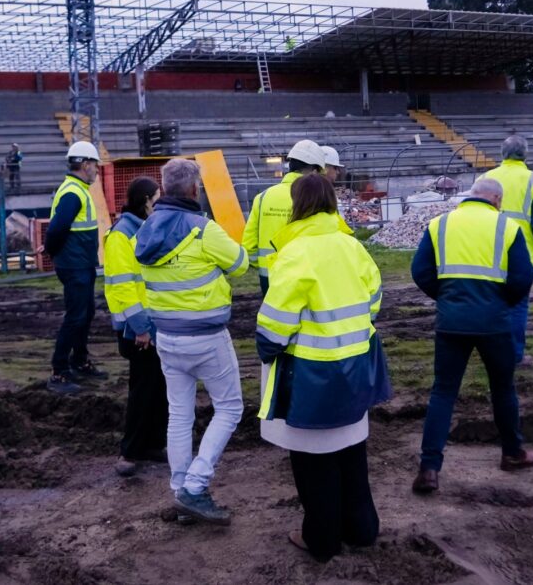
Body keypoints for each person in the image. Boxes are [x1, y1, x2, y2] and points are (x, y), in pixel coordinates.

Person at [256, 174, 389, 561]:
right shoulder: (353, 247)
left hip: (311, 379)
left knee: (314, 466)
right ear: (332, 203)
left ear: (297, 206)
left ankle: (323, 540)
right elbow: (374, 300)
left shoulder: (295, 253)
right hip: (356, 372)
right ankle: (362, 529)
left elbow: (275, 325)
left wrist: (268, 350)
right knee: (352, 456)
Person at [133, 158, 249, 524]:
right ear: (195, 190)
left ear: (164, 190)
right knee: (229, 409)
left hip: (167, 337)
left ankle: (180, 490)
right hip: (207, 338)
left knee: (179, 415)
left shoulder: (145, 231)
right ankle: (195, 487)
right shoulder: (204, 230)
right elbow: (241, 264)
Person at [409, 178, 533, 495]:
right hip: (494, 323)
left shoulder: (439, 224)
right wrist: (499, 302)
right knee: (503, 388)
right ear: (496, 199)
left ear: (471, 196)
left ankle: (429, 469)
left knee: (443, 392)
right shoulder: (507, 227)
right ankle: (512, 453)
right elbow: (523, 277)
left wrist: (447, 298)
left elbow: (420, 270)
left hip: (451, 321)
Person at [104, 176, 168, 477]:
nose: (161, 201)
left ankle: (152, 444)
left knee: (156, 386)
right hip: (136, 330)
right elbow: (123, 287)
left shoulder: (142, 229)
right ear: (145, 201)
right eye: (158, 197)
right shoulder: (121, 235)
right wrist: (141, 328)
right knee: (142, 390)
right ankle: (129, 452)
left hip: (150, 325)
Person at [479, 135, 533, 366]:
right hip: (521, 256)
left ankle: (491, 351)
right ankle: (514, 356)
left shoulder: (485, 178)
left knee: (491, 304)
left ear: (502, 154)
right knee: (517, 305)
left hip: (487, 254)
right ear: (525, 154)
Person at [43, 141, 106, 395]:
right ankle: (59, 372)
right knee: (76, 317)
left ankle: (79, 361)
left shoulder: (77, 189)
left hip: (81, 263)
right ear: (85, 164)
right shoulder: (73, 192)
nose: (97, 171)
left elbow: (62, 229)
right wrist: (52, 248)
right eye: (95, 166)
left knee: (86, 313)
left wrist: (54, 246)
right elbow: (56, 229)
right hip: (74, 266)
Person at [242, 139, 326, 297]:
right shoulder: (317, 197)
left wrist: (262, 265)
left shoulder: (263, 197)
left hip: (268, 277)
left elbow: (249, 244)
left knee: (275, 320)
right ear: (314, 171)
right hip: (306, 276)